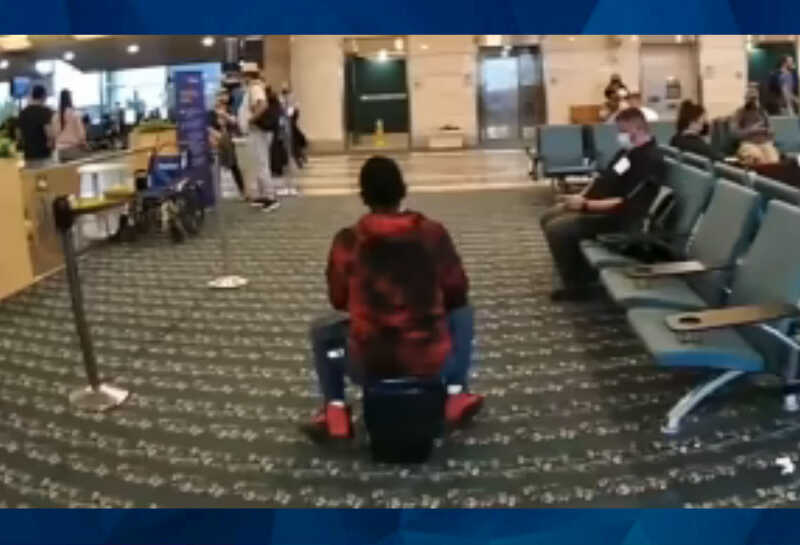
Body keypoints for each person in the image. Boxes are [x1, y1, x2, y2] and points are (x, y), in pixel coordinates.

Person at [303, 156, 484, 441]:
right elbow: (456, 291)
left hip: (368, 362)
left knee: (322, 330)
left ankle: (335, 409)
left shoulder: (348, 240)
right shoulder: (432, 233)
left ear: (363, 196)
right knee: (463, 312)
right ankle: (456, 393)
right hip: (430, 360)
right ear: (403, 189)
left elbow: (338, 300)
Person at [540, 108, 666, 302]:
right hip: (598, 205)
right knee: (548, 216)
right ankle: (579, 270)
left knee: (557, 229)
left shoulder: (649, 159)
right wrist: (579, 196)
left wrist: (585, 205)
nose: (619, 136)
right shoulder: (628, 154)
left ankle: (579, 286)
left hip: (619, 218)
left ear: (637, 128)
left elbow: (624, 202)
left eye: (622, 131)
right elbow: (603, 178)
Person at [238, 65, 279, 212]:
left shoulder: (255, 88)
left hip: (257, 132)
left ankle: (270, 197)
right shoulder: (255, 87)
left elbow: (262, 105)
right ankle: (264, 195)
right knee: (259, 163)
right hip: (256, 132)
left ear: (247, 75)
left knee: (261, 163)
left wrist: (250, 120)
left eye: (242, 75)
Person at [208, 91, 247, 200]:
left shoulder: (230, 111)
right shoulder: (211, 113)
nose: (222, 98)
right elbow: (209, 127)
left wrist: (224, 115)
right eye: (219, 96)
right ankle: (215, 192)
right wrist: (216, 135)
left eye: (224, 95)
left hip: (229, 141)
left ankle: (243, 190)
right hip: (216, 142)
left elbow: (235, 122)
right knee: (215, 167)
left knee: (234, 166)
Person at [730, 86, 780, 166]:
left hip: (764, 143)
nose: (753, 101)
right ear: (746, 98)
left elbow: (771, 131)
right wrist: (751, 129)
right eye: (751, 98)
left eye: (755, 98)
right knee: (757, 157)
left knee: (773, 160)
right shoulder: (740, 113)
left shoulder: (762, 112)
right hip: (748, 143)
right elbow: (734, 133)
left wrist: (768, 131)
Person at [17, 84, 54, 164]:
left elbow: (19, 134)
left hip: (28, 155)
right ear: (43, 96)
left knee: (30, 176)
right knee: (44, 176)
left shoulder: (23, 112)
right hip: (43, 154)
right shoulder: (46, 111)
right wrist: (51, 143)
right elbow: (49, 133)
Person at [50, 89, 87, 162]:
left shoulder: (55, 116)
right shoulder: (75, 115)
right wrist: (84, 143)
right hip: (74, 149)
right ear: (70, 99)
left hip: (59, 151)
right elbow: (81, 134)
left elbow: (53, 134)